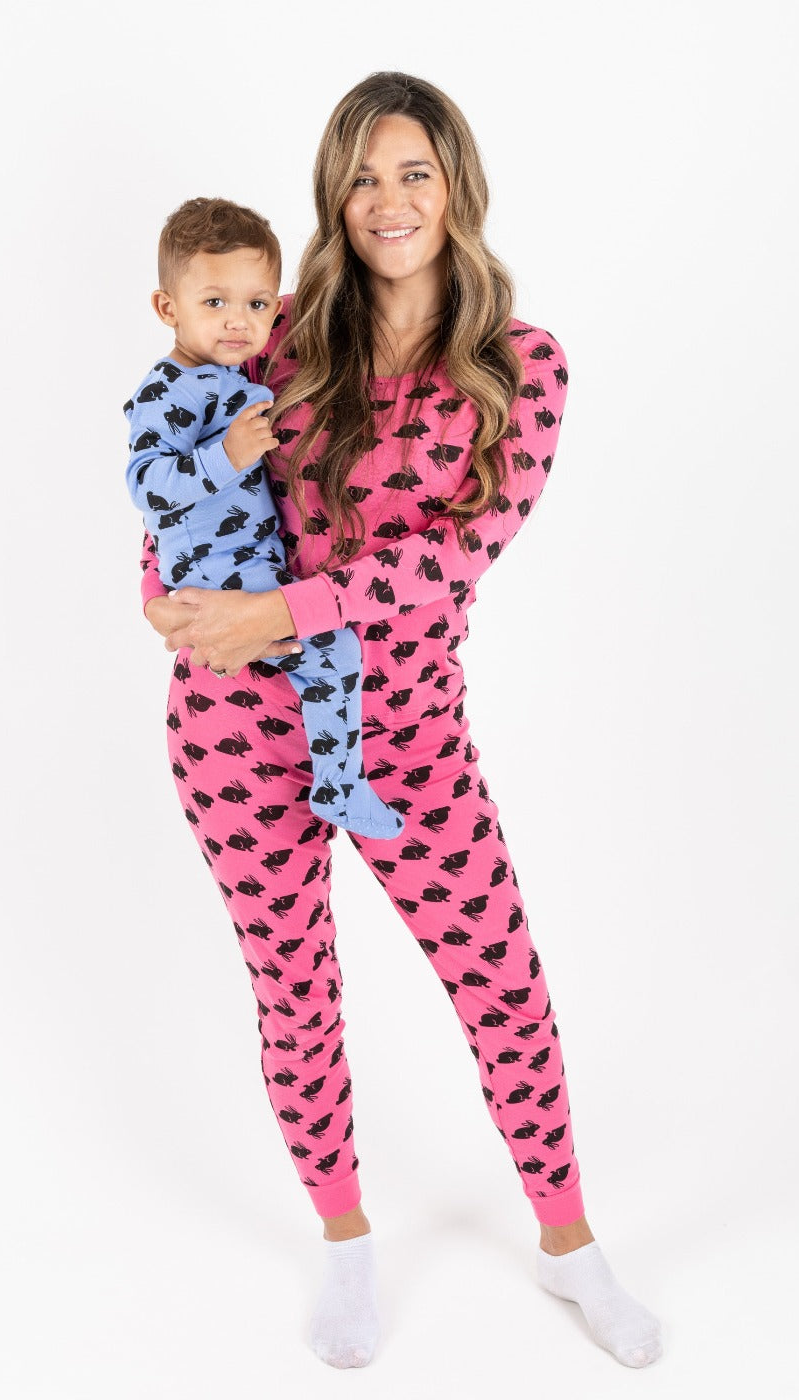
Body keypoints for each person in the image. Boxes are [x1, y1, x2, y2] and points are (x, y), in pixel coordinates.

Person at [137, 72, 661, 1371]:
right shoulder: (275, 338)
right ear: (335, 196)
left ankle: (568, 1243)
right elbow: (176, 483)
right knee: (294, 993)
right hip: (236, 731)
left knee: (502, 982)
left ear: (455, 186)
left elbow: (453, 557)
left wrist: (284, 610)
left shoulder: (520, 368)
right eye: (362, 176)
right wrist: (166, 595)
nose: (387, 199)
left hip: (405, 737)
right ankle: (344, 1242)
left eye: (412, 171)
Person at [126, 197, 404, 840]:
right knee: (333, 649)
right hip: (217, 571)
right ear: (168, 308)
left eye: (256, 304)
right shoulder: (166, 390)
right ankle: (340, 785)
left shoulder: (230, 377)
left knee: (326, 653)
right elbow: (147, 488)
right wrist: (226, 456)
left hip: (247, 560)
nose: (238, 320)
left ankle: (335, 781)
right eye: (214, 301)